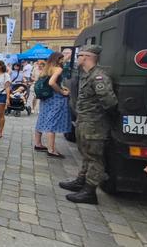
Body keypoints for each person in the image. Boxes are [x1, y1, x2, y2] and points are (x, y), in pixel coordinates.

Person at [59, 45, 117, 204]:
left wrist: (98, 116)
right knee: (86, 154)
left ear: (86, 57)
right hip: (85, 121)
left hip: (94, 123)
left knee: (94, 158)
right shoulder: (87, 75)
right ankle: (81, 181)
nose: (77, 59)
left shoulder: (99, 77)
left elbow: (110, 102)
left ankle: (90, 192)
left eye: (79, 56)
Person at [34, 52, 71, 158]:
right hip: (55, 97)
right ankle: (51, 149)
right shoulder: (58, 69)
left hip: (45, 97)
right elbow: (51, 82)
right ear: (58, 59)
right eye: (62, 59)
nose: (63, 61)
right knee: (52, 121)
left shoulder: (47, 68)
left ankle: (38, 144)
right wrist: (62, 91)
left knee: (42, 118)